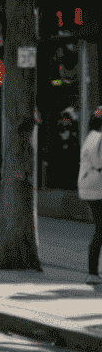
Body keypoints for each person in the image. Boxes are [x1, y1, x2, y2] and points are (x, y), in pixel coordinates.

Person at [79, 107, 102, 281]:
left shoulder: (91, 136)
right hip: (97, 188)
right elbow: (99, 161)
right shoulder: (98, 138)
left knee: (99, 229)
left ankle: (93, 272)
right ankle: (92, 272)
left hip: (90, 187)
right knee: (100, 230)